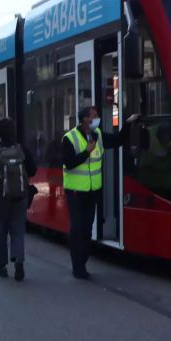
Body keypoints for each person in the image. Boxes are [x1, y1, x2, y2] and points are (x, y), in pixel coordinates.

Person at [62, 106, 135, 279]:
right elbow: (69, 163)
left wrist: (128, 124)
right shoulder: (69, 138)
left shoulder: (98, 135)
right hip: (75, 192)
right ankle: (77, 266)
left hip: (93, 191)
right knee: (77, 228)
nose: (97, 119)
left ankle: (83, 262)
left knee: (87, 229)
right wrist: (86, 152)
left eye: (96, 116)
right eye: (93, 116)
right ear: (84, 119)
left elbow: (117, 140)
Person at [0, 118, 38, 281]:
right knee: (18, 230)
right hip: (20, 197)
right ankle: (18, 260)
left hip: (0, 198)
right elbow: (33, 171)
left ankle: (2, 266)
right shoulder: (22, 151)